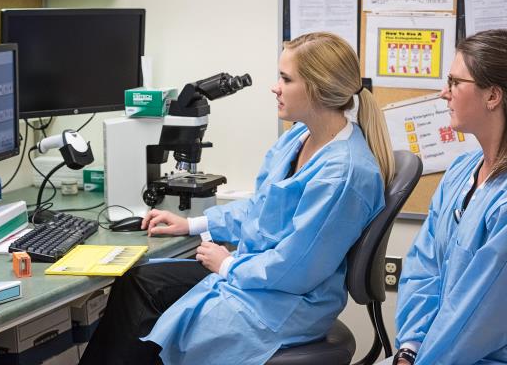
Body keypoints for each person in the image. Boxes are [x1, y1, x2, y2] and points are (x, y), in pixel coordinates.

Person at [79, 32, 395, 365]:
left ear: (318, 88)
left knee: (156, 332)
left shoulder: (344, 174)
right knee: (140, 282)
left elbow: (298, 269)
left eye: (286, 79)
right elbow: (261, 209)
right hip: (258, 278)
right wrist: (192, 224)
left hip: (286, 301)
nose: (275, 87)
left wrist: (227, 264)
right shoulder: (300, 138)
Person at [392, 29, 507, 365]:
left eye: (455, 83)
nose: (444, 93)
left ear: (493, 96)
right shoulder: (461, 171)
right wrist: (410, 346)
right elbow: (423, 266)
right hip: (427, 351)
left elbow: (477, 318)